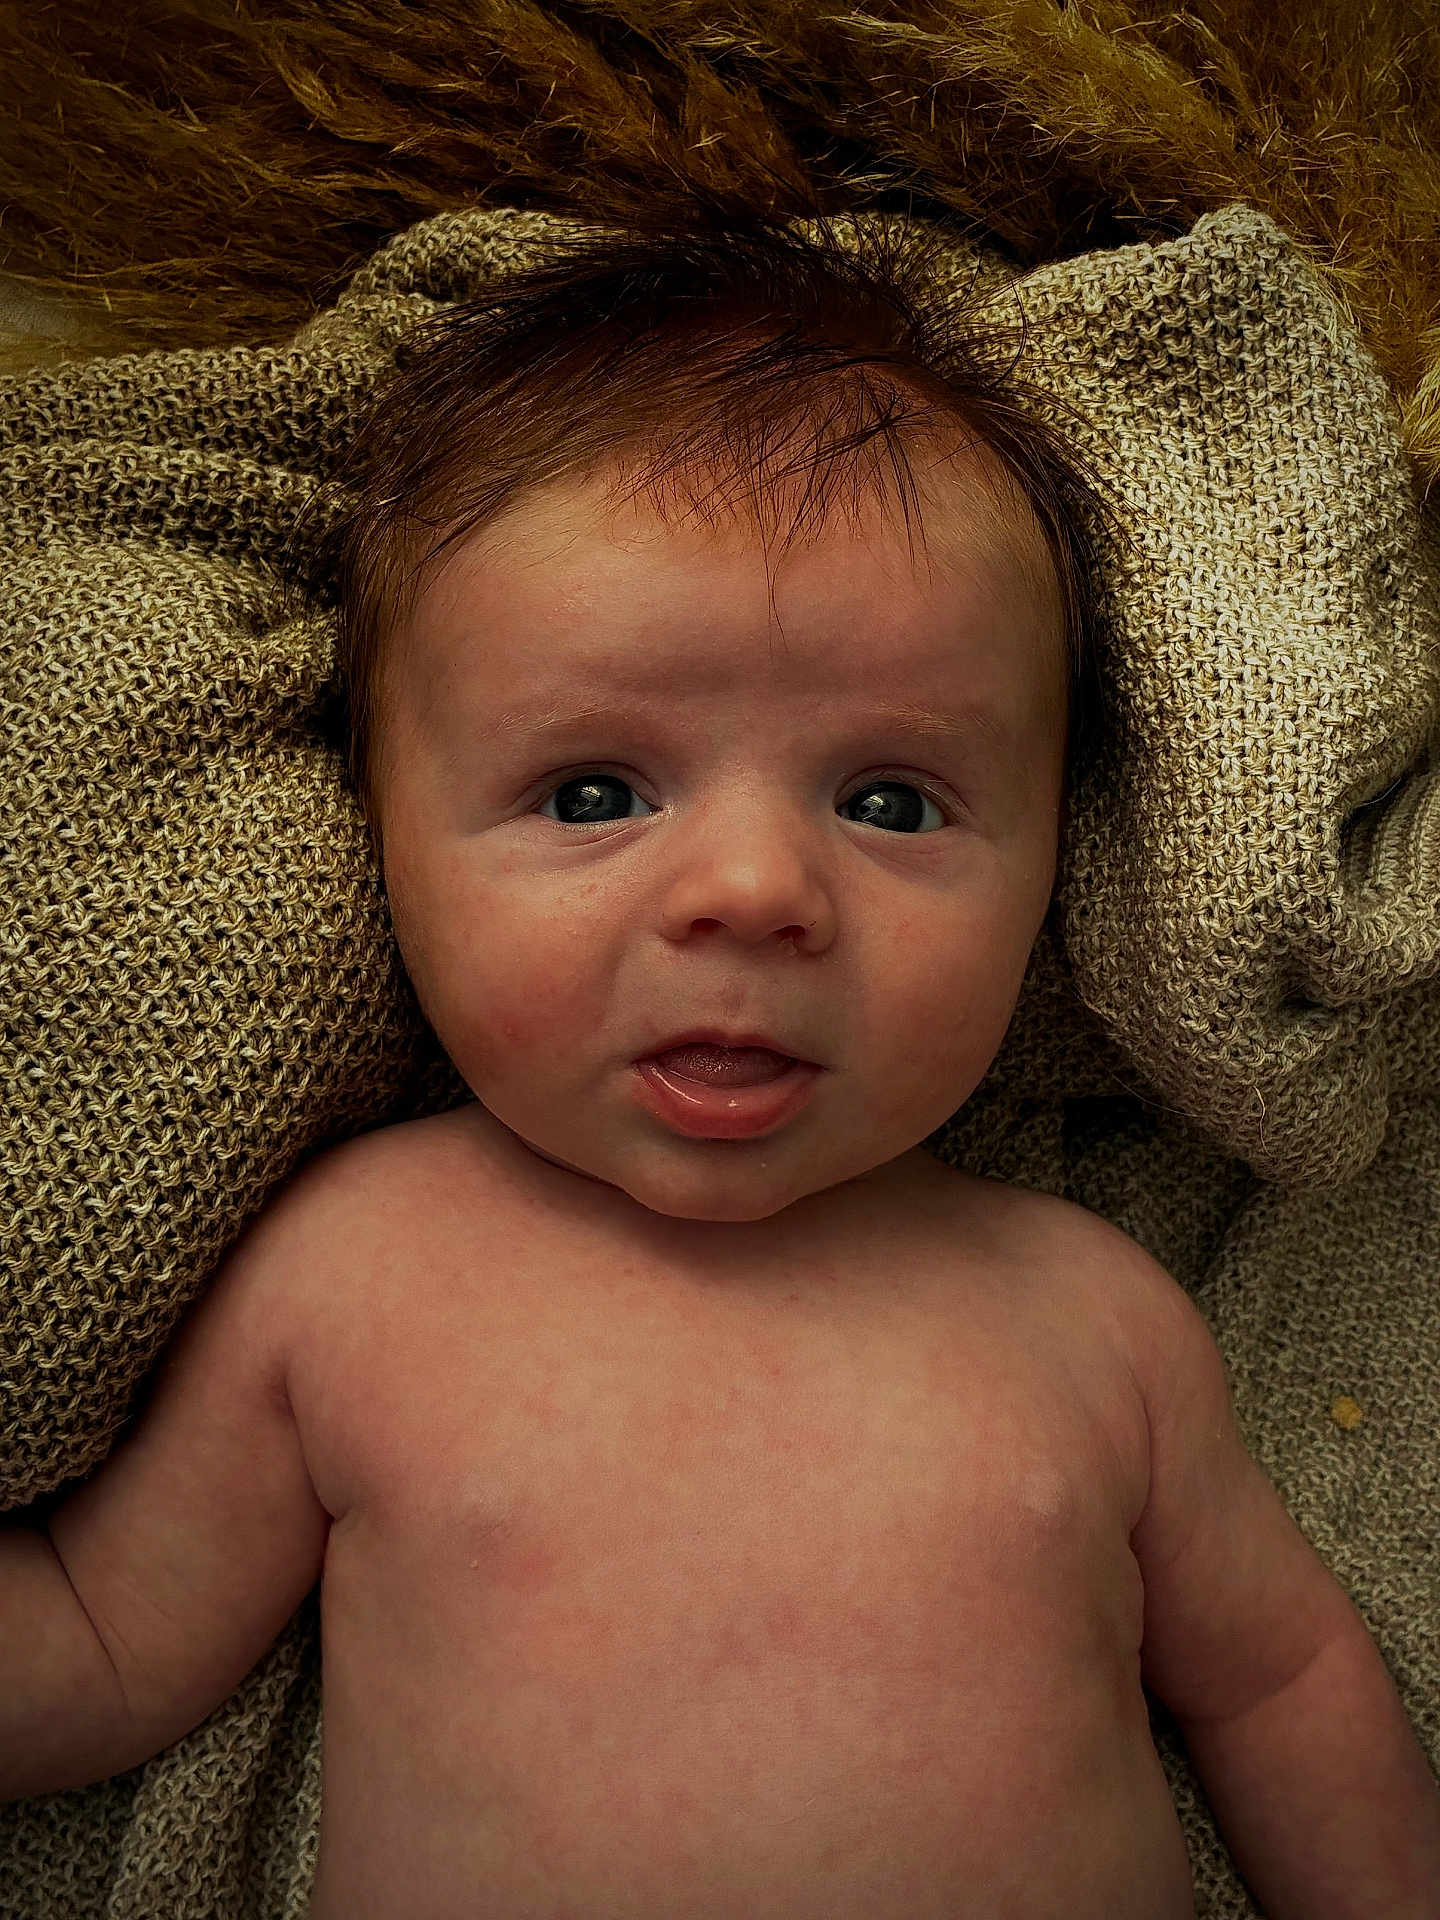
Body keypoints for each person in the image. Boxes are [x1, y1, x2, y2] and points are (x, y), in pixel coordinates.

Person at [3, 214, 1437, 1919]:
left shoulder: (1091, 1311)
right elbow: (97, 1643)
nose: (756, 894)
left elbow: (1281, 1683)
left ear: (1059, 858)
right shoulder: (353, 1271)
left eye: (890, 803)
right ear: (384, 830)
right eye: (597, 791)